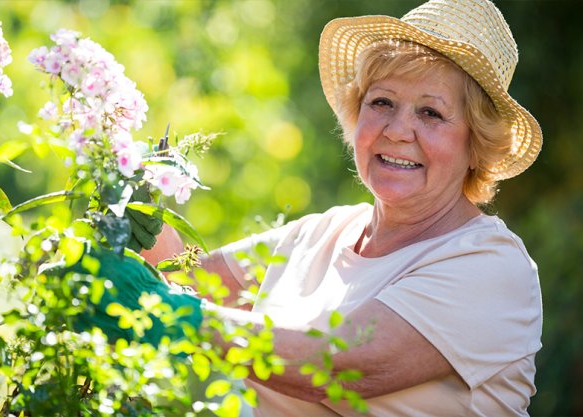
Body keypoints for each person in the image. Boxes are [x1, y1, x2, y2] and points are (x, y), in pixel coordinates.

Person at [78, 0, 544, 415]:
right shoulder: (323, 233)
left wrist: (175, 313)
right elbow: (187, 281)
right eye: (381, 102)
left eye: (431, 113)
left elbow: (340, 367)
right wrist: (139, 211)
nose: (398, 130)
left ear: (476, 145)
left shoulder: (491, 265)